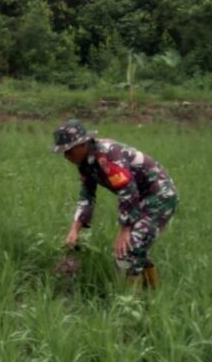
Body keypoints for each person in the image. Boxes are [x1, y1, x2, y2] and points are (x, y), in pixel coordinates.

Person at [52, 119, 177, 289]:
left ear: (83, 144)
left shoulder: (107, 156)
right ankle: (150, 294)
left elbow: (128, 190)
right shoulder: (85, 163)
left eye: (69, 151)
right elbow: (87, 195)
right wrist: (75, 229)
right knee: (136, 248)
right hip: (140, 198)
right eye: (63, 153)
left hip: (159, 196)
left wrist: (125, 229)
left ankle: (131, 301)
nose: (66, 157)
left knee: (129, 248)